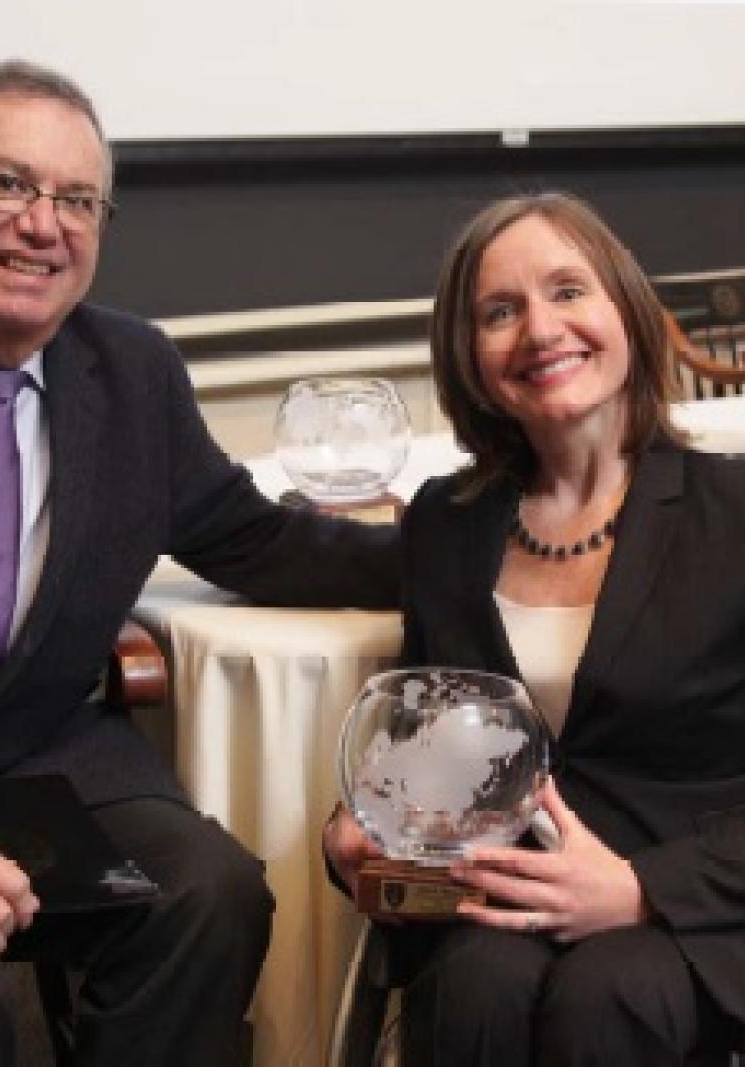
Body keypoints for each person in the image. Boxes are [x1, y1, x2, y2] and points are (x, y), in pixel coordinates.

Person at [0, 59, 400, 1066]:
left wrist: (464, 545)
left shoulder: (131, 369)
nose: (43, 223)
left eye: (76, 199)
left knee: (212, 891)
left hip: (43, 755)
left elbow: (255, 539)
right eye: (7, 182)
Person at [324, 192, 745, 1065]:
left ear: (626, 307)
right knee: (473, 984)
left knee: (610, 994)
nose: (540, 330)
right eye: (500, 311)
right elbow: (425, 737)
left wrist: (639, 888)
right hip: (498, 889)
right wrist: (358, 828)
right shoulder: (447, 519)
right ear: (470, 358)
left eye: (568, 291)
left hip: (696, 907)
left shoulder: (732, 510)